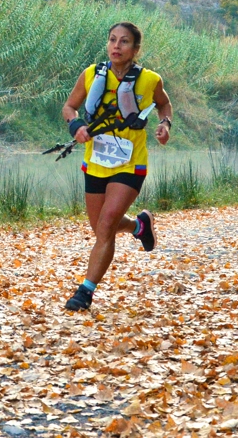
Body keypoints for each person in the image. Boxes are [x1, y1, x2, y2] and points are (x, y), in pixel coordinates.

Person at [60, 22, 173, 312]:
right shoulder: (90, 74)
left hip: (130, 162)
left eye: (124, 42)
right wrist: (76, 126)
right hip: (96, 161)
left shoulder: (150, 80)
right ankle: (139, 226)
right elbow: (69, 107)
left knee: (107, 223)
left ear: (135, 49)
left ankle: (85, 291)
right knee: (100, 228)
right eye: (112, 40)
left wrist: (164, 124)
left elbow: (164, 105)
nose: (116, 46)